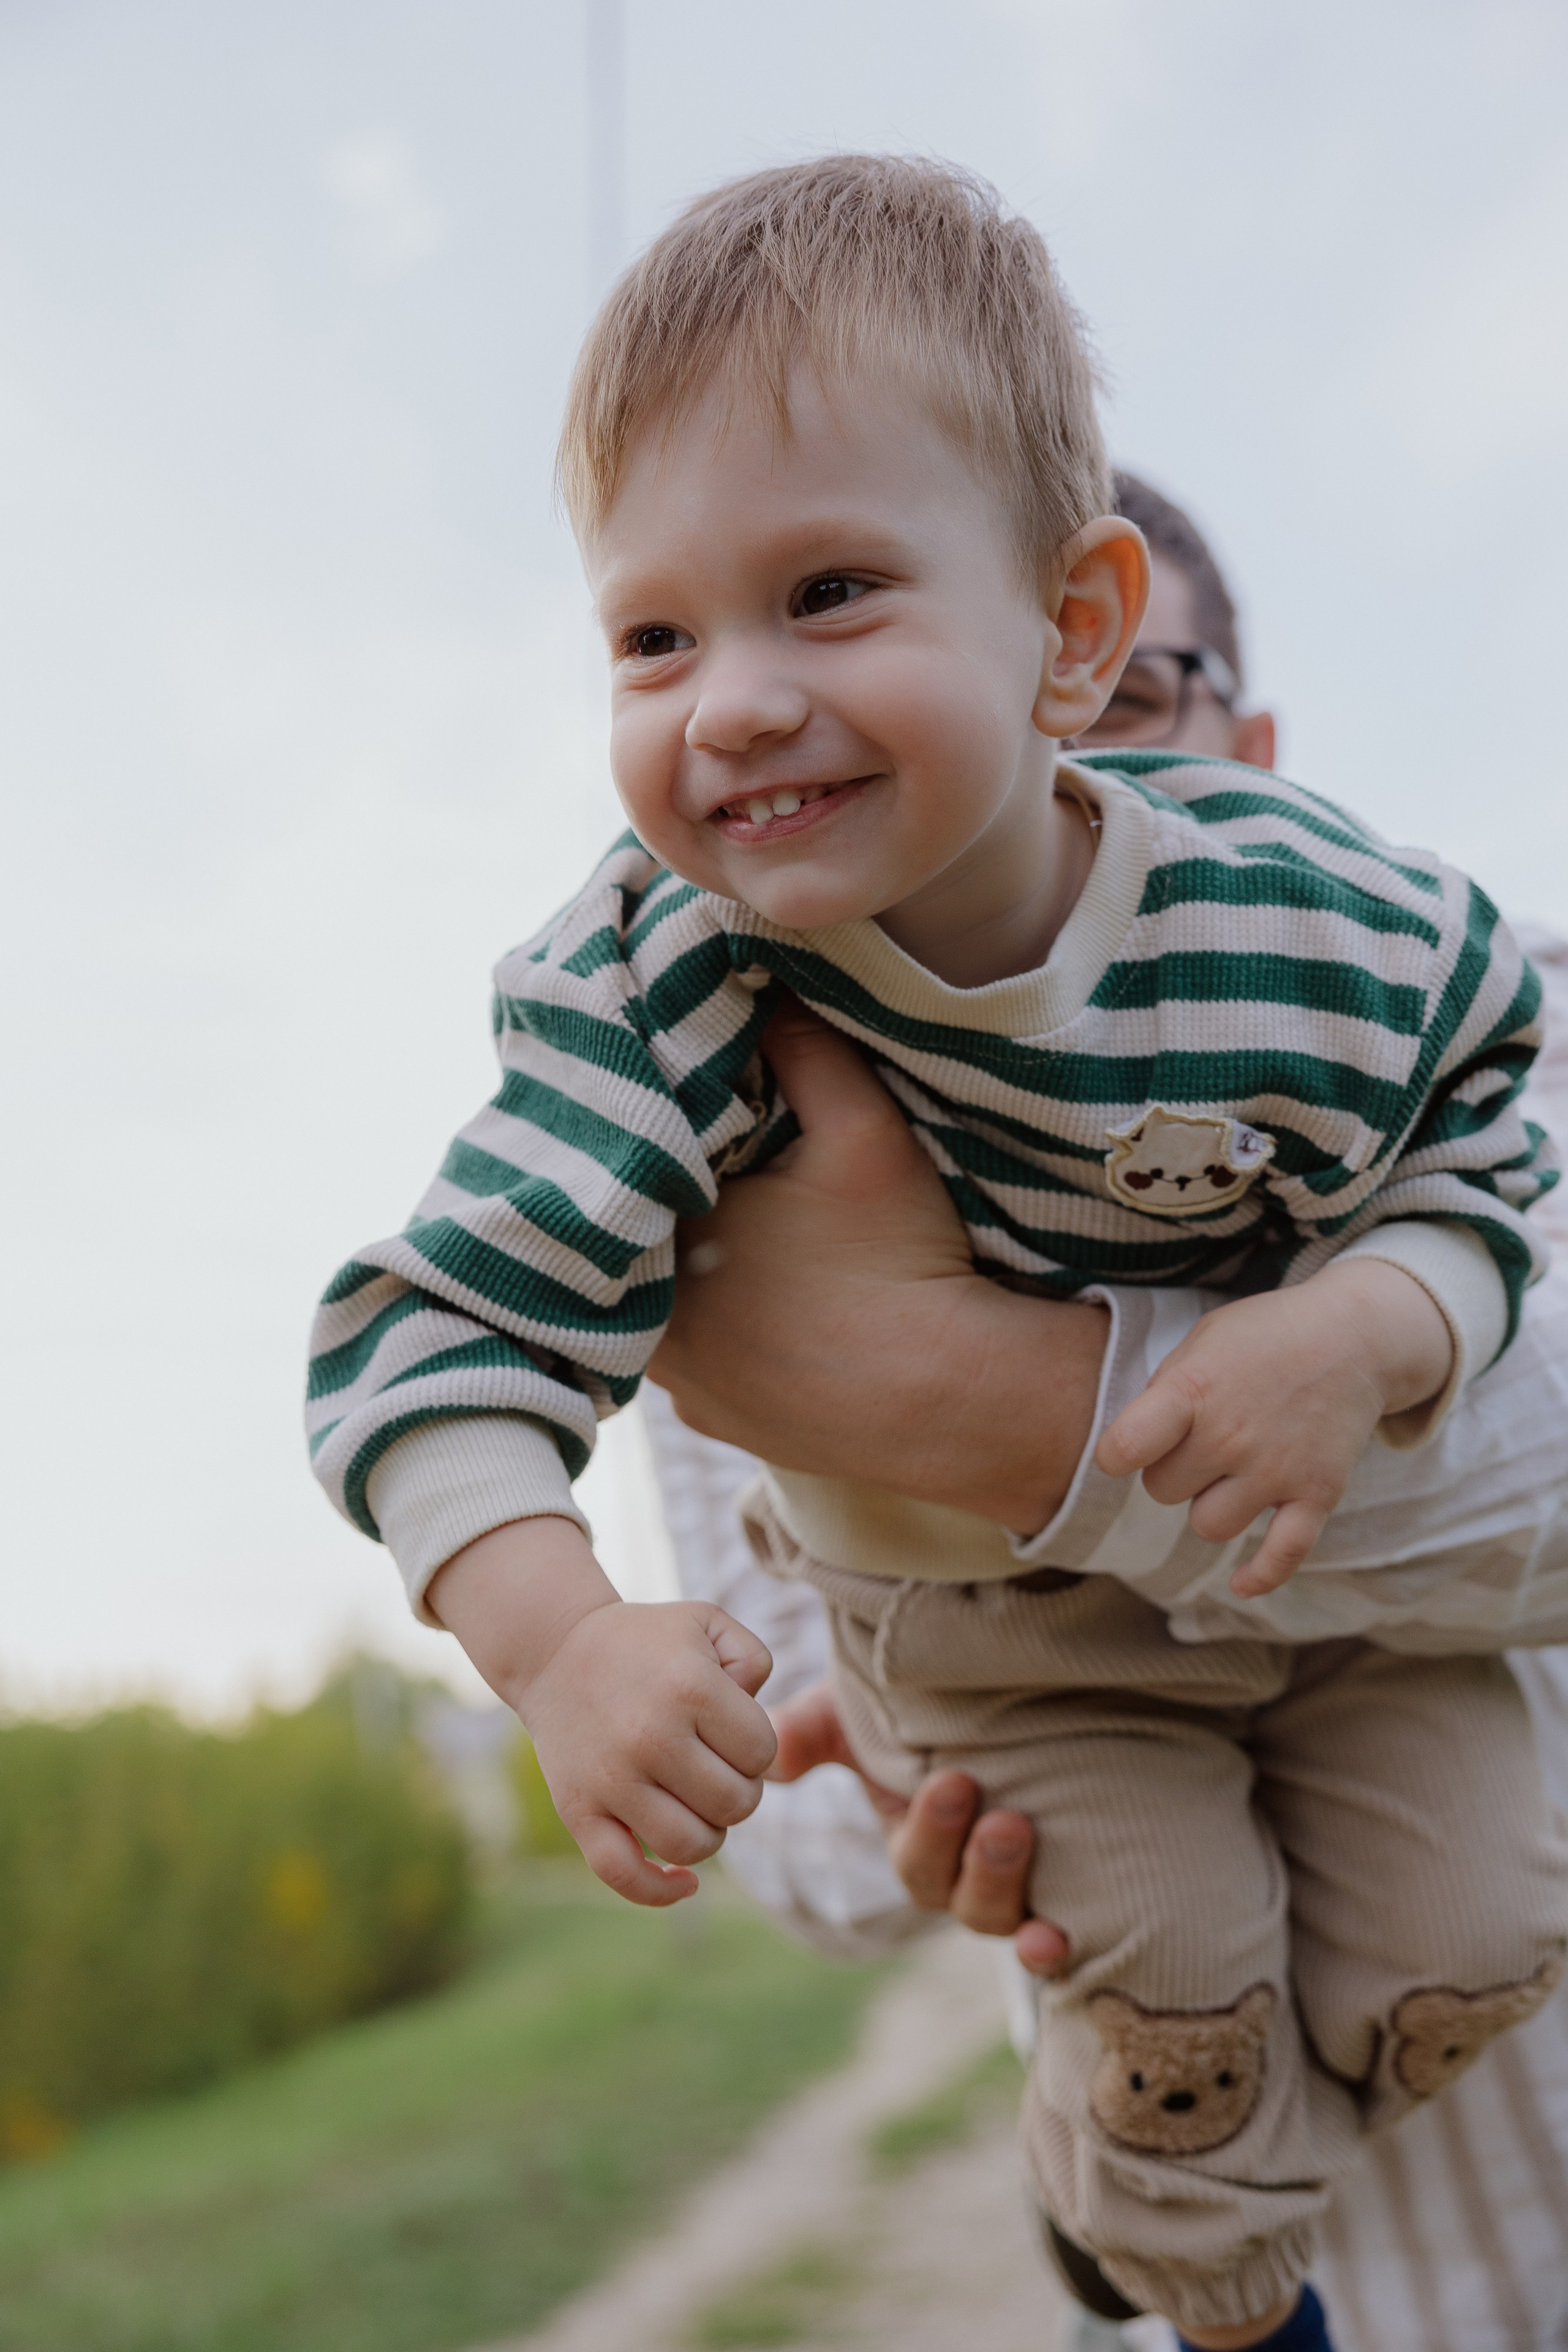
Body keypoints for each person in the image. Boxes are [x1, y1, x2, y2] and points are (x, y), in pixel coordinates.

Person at [305, 159, 1568, 2351]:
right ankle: (1191, 2246)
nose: (730, 706)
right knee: (1176, 1972)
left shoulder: (1337, 931)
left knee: (1481, 1920)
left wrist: (1355, 1331)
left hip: (1392, 1710)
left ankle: (1276, 2110)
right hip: (1008, 1669)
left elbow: (1492, 1142)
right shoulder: (677, 1016)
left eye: (832, 592)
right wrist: (572, 1647)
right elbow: (439, 1333)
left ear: (1079, 642)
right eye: (653, 635)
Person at [643, 471, 1568, 2348]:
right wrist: (913, 1759)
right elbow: (805, 1852)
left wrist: (1004, 1413)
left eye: (1130, 698)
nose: (1067, 783)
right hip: (1201, 2190)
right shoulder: (739, 1181)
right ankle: (1165, 2215)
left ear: (1257, 735)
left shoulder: (1480, 1018)